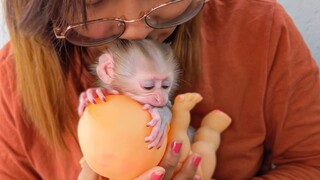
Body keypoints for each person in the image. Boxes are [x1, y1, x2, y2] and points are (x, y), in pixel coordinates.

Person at [0, 0, 319, 179]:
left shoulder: (257, 27)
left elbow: (312, 163)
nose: (139, 29)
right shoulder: (11, 82)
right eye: (94, 0)